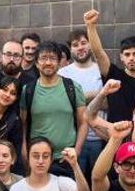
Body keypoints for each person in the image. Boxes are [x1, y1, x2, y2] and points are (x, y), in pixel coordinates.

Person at [21, 42, 87, 173]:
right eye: (44, 58)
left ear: (59, 62)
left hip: (66, 159)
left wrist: (77, 151)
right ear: (36, 63)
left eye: (53, 58)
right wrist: (24, 152)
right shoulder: (28, 90)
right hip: (38, 160)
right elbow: (23, 124)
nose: (48, 62)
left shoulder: (73, 88)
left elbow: (83, 122)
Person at [57, 28, 107, 176]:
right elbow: (63, 105)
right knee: (77, 187)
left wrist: (78, 98)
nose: (80, 47)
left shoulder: (102, 71)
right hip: (74, 141)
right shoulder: (63, 74)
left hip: (100, 139)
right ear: (71, 49)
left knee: (99, 186)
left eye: (84, 43)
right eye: (75, 44)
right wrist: (97, 96)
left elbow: (109, 103)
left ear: (91, 45)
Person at [83, 10, 135, 126]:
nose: (131, 58)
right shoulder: (114, 75)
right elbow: (98, 53)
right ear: (121, 57)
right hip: (113, 136)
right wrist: (91, 26)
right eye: (127, 54)